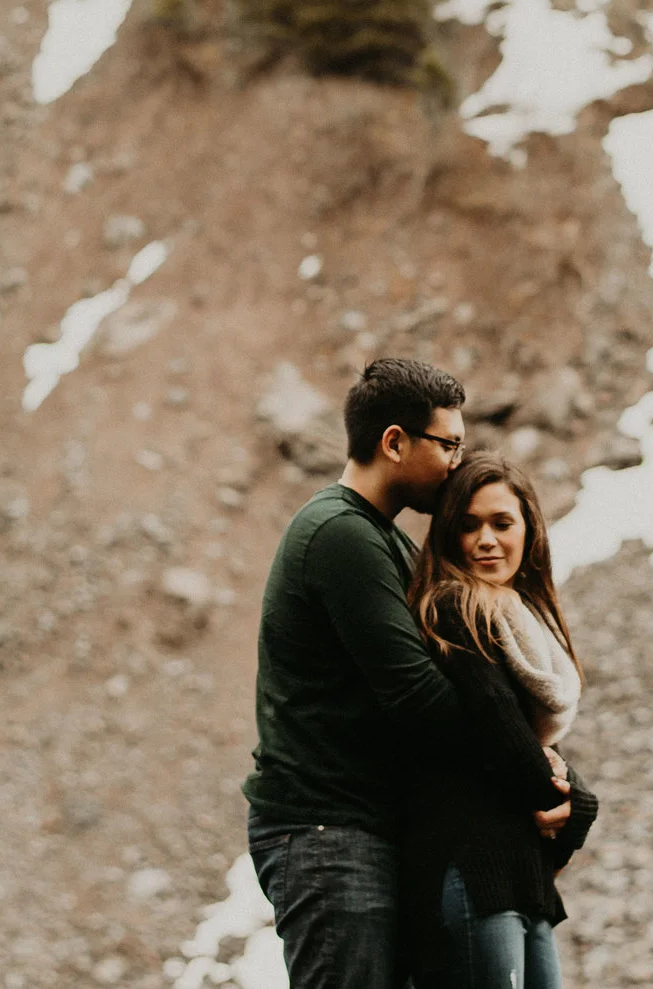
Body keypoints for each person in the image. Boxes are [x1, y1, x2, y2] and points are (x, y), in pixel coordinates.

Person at [244, 359, 574, 989]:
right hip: (327, 831)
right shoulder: (341, 534)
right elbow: (422, 698)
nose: (456, 462)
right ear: (394, 442)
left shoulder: (387, 541)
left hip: (368, 828)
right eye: (448, 444)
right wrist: (538, 775)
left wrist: (553, 778)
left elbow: (472, 694)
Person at [401, 453, 599, 989]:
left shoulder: (523, 618)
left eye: (501, 523)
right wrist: (579, 808)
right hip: (473, 866)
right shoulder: (452, 609)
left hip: (521, 872)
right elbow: (502, 728)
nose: (485, 540)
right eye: (468, 525)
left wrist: (571, 804)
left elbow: (525, 743)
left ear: (528, 531)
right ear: (448, 534)